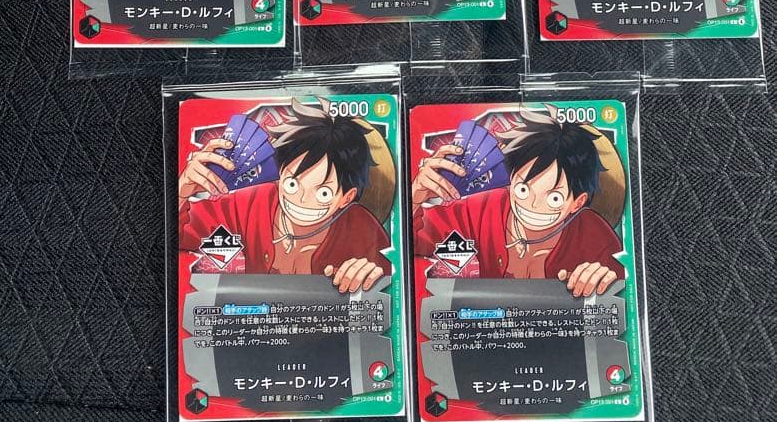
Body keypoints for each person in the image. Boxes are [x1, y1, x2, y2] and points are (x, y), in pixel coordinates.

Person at [179, 99, 392, 293]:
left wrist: (372, 276)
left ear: (346, 197)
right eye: (292, 184)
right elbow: (183, 236)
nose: (301, 199)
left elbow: (392, 282)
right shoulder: (251, 203)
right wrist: (181, 192)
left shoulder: (361, 230)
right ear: (280, 174)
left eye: (323, 193)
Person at [413, 108, 624, 296]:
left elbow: (622, 287)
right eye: (523, 189)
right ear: (511, 179)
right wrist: (414, 198)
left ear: (577, 202)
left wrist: (604, 279)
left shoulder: (595, 237)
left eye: (554, 198)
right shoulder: (483, 209)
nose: (532, 205)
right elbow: (418, 239)